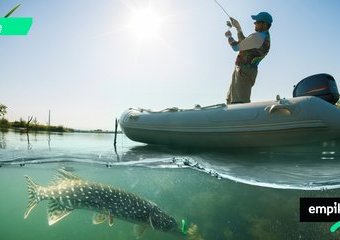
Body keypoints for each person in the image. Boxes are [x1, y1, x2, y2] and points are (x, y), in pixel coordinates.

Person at [225, 12, 272, 104]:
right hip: (245, 71)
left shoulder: (258, 37)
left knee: (238, 103)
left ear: (265, 24)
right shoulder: (262, 36)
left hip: (244, 72)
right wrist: (238, 27)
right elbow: (244, 43)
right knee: (231, 100)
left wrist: (229, 37)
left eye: (257, 22)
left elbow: (236, 47)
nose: (254, 23)